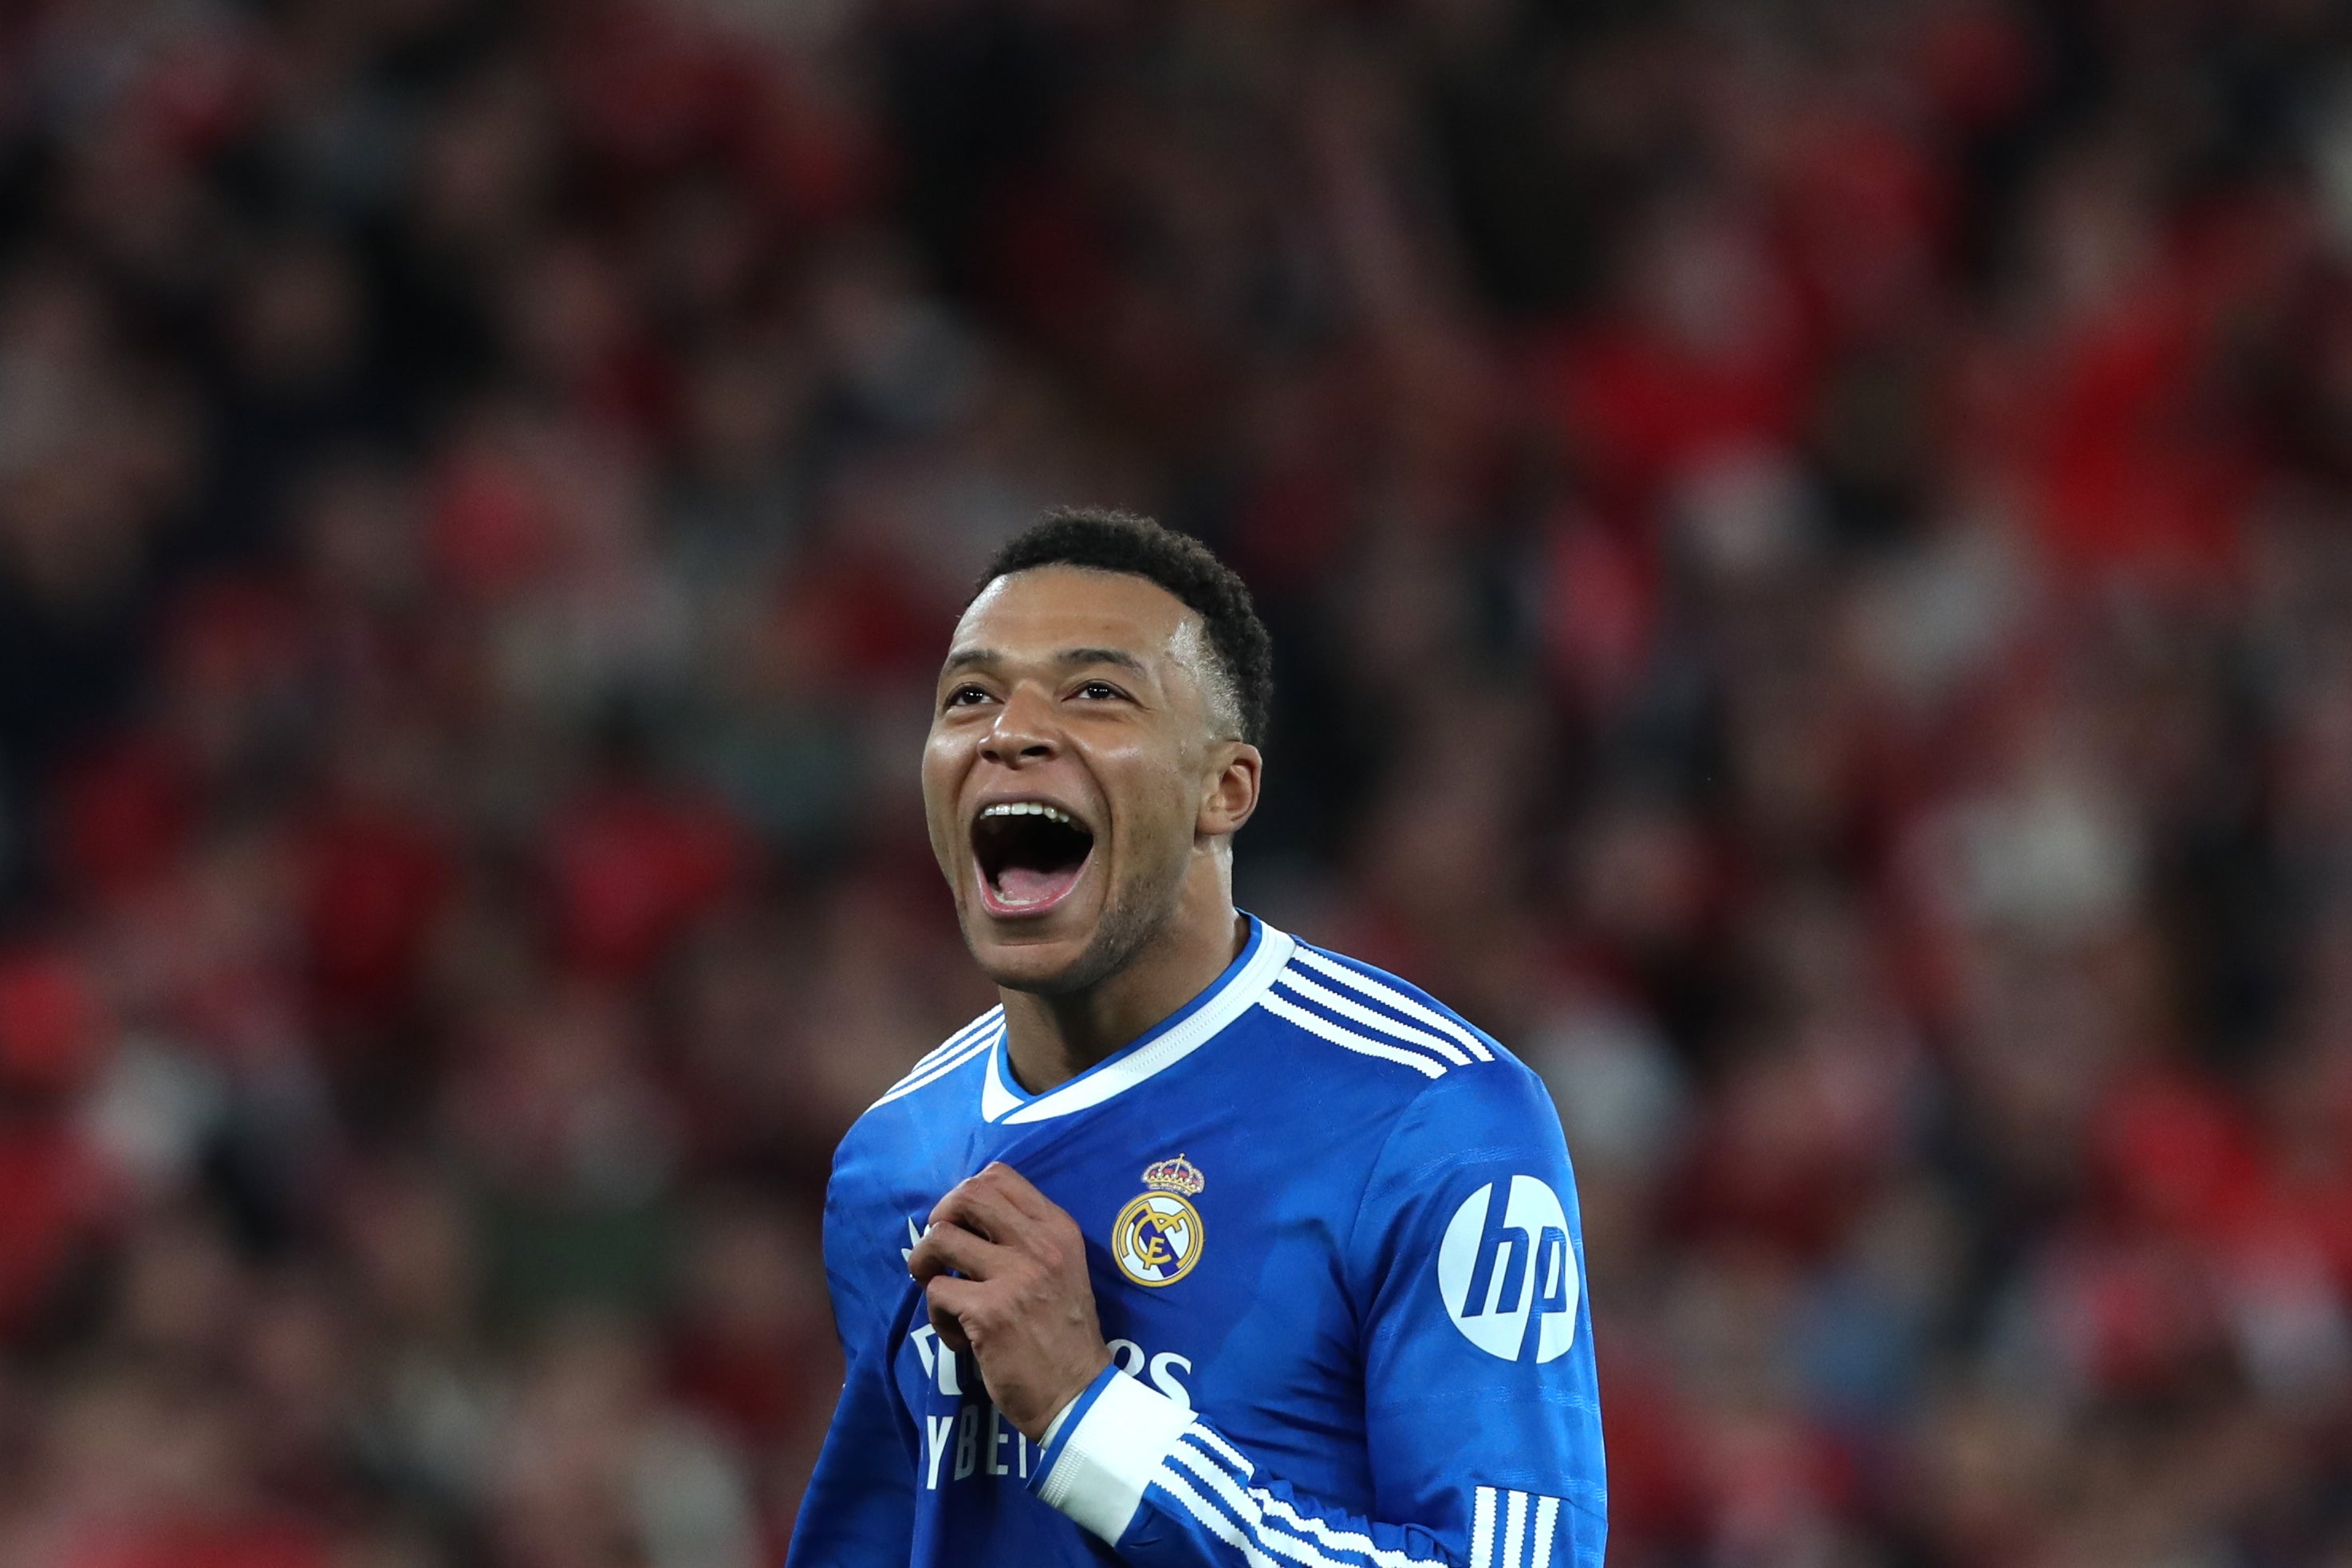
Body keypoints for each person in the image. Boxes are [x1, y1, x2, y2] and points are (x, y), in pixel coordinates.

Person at [787, 510, 1605, 1567]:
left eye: (1095, 692)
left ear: (1225, 789)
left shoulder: (1428, 1114)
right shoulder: (892, 1159)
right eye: (970, 696)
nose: (1009, 732)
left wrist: (1092, 1422)